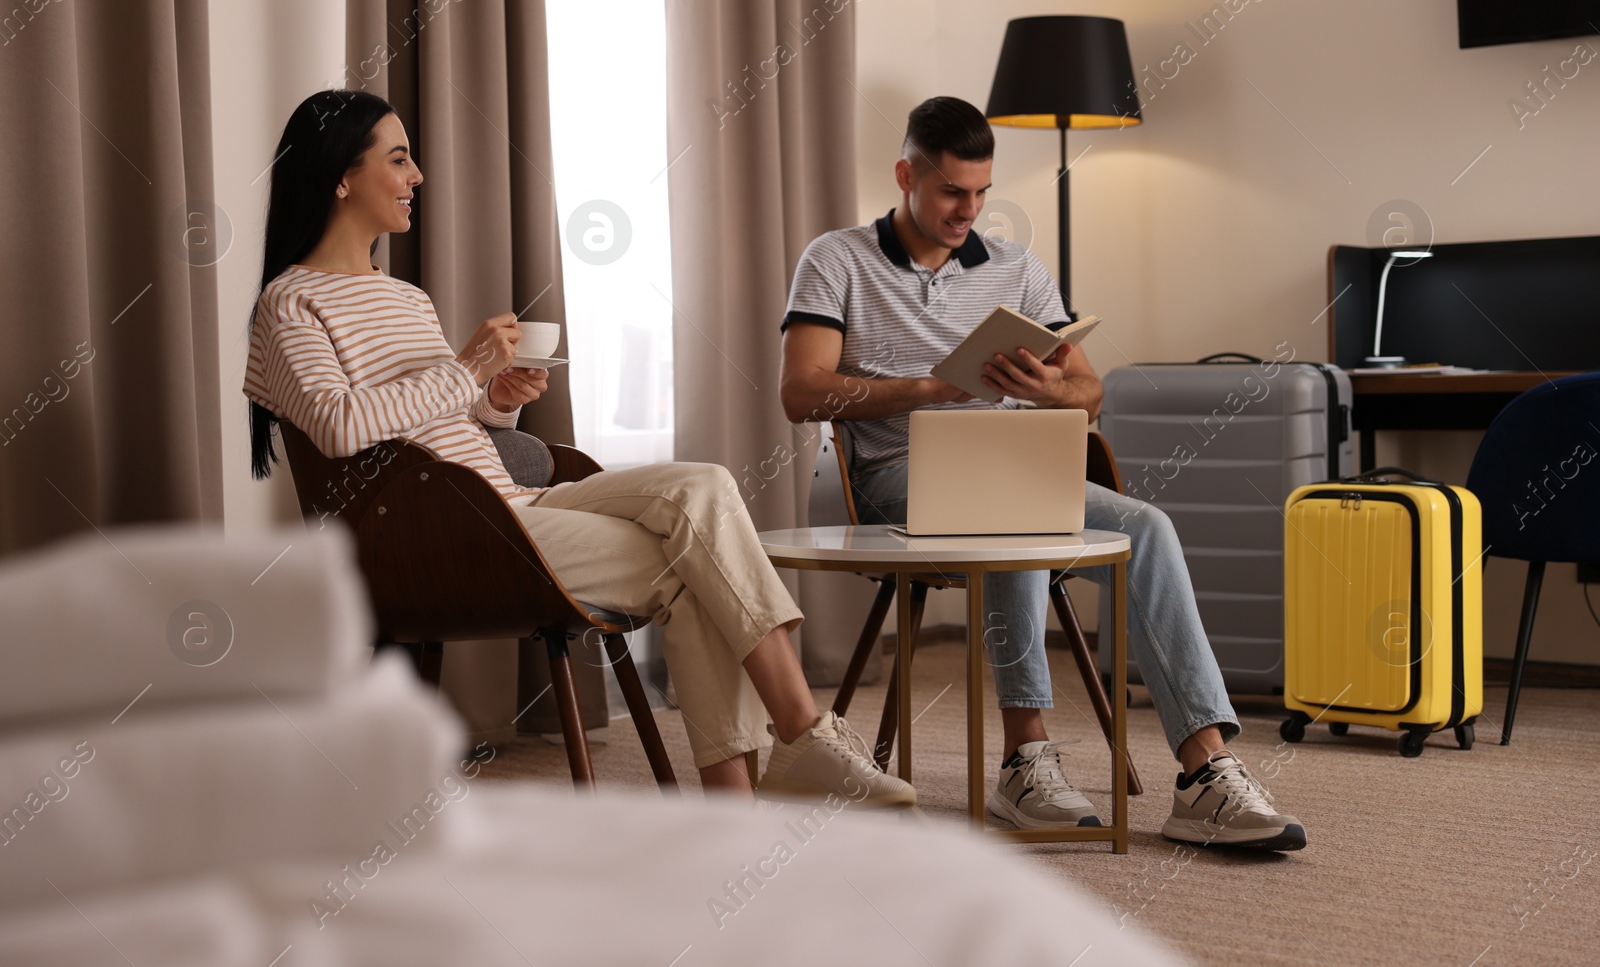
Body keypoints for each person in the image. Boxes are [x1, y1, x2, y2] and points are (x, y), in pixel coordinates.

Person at [243, 89, 913, 807]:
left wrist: (493, 400)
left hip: (505, 501)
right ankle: (774, 769)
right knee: (697, 566)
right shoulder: (291, 302)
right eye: (399, 159)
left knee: (704, 486)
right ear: (340, 175)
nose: (418, 177)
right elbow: (340, 426)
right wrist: (467, 367)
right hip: (442, 535)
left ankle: (785, 757)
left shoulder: (405, 297)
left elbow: (442, 417)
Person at [778, 96, 1305, 850]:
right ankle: (1024, 759)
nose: (970, 210)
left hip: (1009, 462)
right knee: (1013, 513)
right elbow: (801, 391)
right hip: (893, 477)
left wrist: (1046, 388)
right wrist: (933, 389)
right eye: (952, 192)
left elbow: (1090, 390)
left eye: (983, 192)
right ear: (905, 175)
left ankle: (1205, 773)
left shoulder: (1016, 267)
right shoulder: (837, 260)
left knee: (1148, 527)